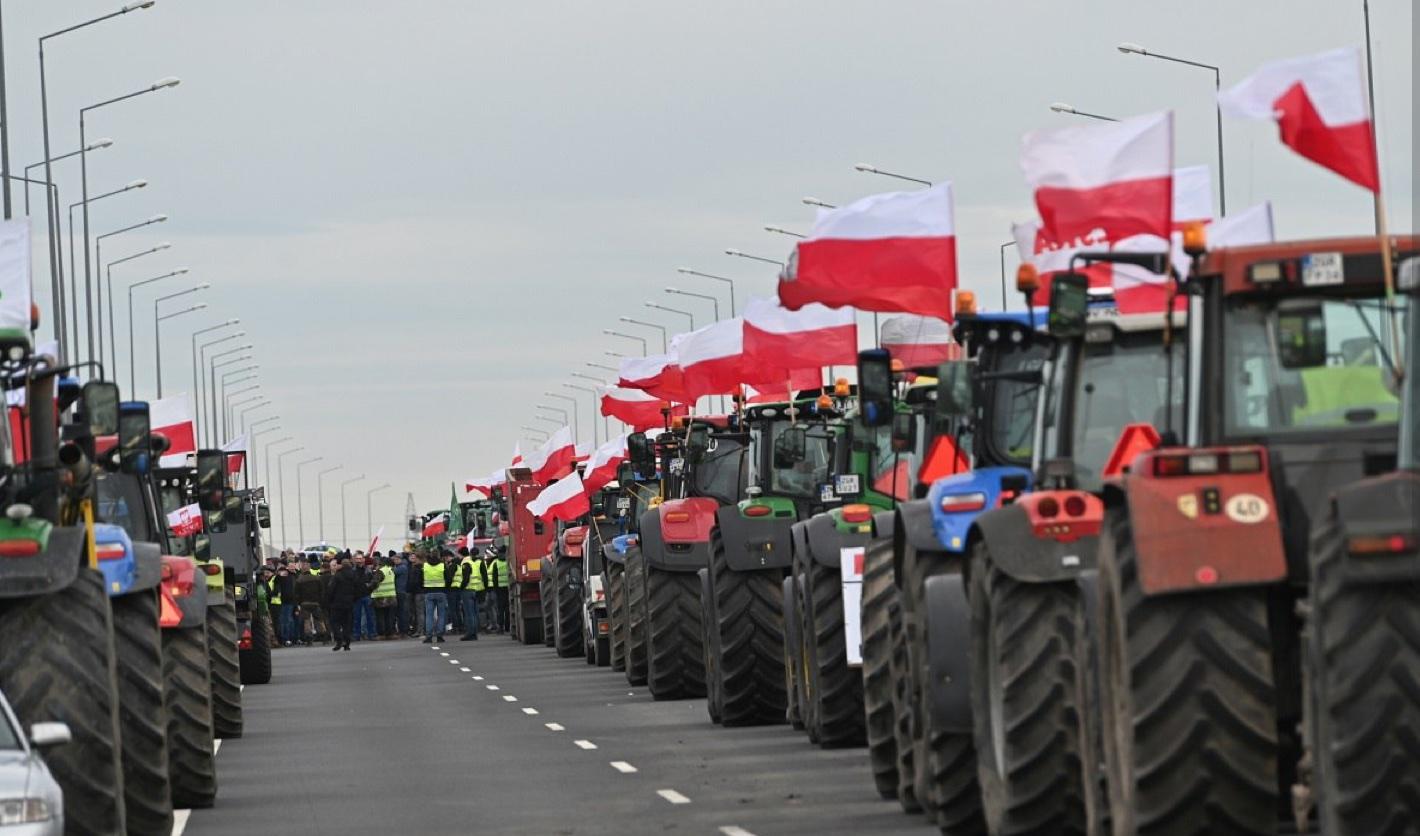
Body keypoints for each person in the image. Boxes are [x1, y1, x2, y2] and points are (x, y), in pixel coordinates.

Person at [325, 557, 361, 651]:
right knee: (347, 623)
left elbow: (331, 590)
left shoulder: (337, 576)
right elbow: (358, 589)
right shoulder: (354, 575)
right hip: (349, 603)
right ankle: (347, 642)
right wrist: (354, 599)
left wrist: (329, 601)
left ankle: (339, 639)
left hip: (337, 603)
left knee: (335, 622)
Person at [294, 559, 328, 645]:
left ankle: (309, 639)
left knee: (307, 621)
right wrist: (320, 601)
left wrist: (298, 603)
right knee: (319, 620)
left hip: (304, 603)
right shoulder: (316, 578)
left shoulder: (299, 580)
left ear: (302, 569)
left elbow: (296, 594)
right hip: (316, 603)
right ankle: (324, 637)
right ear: (309, 568)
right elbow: (321, 591)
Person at [421, 550, 448, 643]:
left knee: (429, 615)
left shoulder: (425, 565)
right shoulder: (442, 565)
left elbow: (421, 578)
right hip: (441, 592)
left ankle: (428, 636)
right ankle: (440, 636)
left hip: (428, 592)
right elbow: (448, 578)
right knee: (441, 615)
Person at [458, 547, 482, 641]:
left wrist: (461, 586)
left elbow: (466, 577)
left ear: (461, 554)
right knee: (473, 612)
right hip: (474, 589)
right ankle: (474, 632)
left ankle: (470, 633)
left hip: (467, 590)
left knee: (469, 613)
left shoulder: (465, 562)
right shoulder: (472, 561)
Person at [371, 556, 398, 638]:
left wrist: (368, 586)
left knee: (380, 617)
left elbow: (375, 583)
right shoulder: (391, 570)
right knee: (389, 616)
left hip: (381, 597)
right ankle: (390, 633)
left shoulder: (380, 571)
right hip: (391, 596)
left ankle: (381, 634)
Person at [353, 554, 378, 641]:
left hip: (367, 595)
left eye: (360, 558)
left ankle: (371, 634)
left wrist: (369, 587)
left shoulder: (368, 570)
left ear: (363, 560)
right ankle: (356, 635)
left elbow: (375, 581)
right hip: (356, 597)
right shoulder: (353, 571)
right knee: (356, 617)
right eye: (357, 559)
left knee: (370, 616)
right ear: (354, 560)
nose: (359, 560)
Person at [275, 563, 298, 646]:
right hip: (288, 601)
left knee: (286, 620)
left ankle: (288, 638)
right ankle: (290, 638)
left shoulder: (290, 577)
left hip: (287, 601)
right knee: (288, 620)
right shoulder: (293, 577)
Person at [446, 547, 465, 637]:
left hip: (452, 589)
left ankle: (456, 627)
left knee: (453, 609)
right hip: (458, 589)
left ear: (450, 557)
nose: (446, 559)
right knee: (457, 609)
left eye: (446, 557)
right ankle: (460, 626)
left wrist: (446, 585)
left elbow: (449, 578)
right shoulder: (458, 564)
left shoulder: (452, 565)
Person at [491, 546, 511, 632]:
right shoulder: (508, 562)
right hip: (508, 588)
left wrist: (495, 589)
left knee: (500, 608)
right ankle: (507, 627)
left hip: (499, 589)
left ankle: (501, 627)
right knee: (507, 609)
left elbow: (494, 578)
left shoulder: (496, 563)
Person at [407, 551, 425, 637]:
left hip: (417, 592)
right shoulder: (420, 567)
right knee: (419, 612)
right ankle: (419, 630)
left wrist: (409, 589)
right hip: (419, 591)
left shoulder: (416, 568)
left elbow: (414, 581)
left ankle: (420, 630)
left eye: (415, 557)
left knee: (419, 613)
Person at [392, 551, 410, 636]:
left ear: (400, 559)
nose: (394, 561)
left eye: (396, 559)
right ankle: (402, 629)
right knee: (400, 612)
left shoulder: (402, 567)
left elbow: (392, 572)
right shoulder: (402, 566)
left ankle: (403, 630)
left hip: (400, 592)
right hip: (400, 591)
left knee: (401, 612)